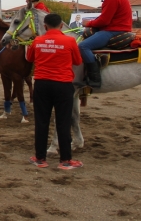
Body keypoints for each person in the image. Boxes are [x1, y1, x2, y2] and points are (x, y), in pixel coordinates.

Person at [26, 13, 84, 170]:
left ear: (45, 26)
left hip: (42, 84)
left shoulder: (37, 40)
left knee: (41, 121)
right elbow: (78, 61)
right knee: (63, 122)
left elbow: (29, 58)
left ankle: (40, 158)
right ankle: (65, 160)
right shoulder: (70, 40)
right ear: (61, 26)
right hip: (63, 84)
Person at [77, 0, 132, 88]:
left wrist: (88, 23)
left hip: (113, 30)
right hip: (117, 27)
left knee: (83, 46)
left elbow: (104, 21)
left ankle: (95, 78)